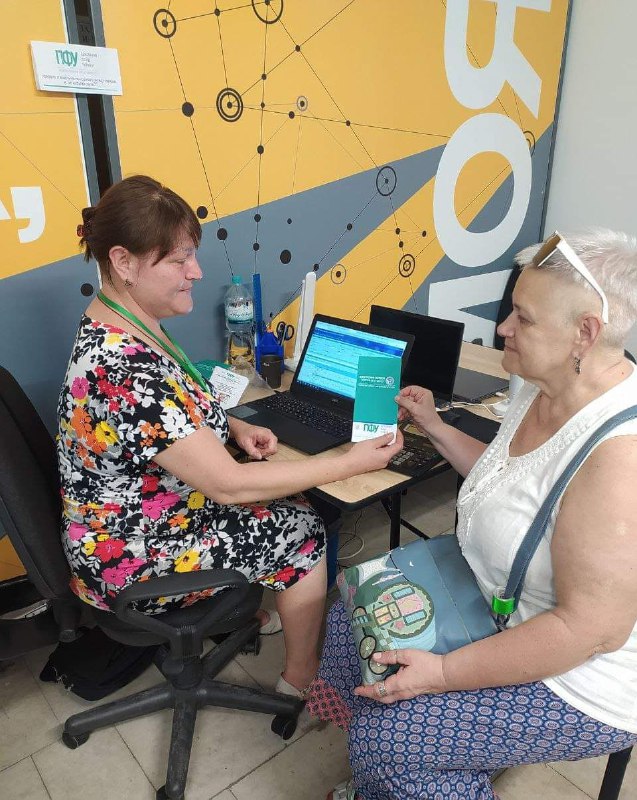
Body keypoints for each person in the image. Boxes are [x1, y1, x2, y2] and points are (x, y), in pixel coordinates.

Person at [309, 229, 637, 799]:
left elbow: (590, 632)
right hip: (497, 599)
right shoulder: (545, 383)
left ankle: (395, 769)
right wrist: (435, 427)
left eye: (523, 318)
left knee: (392, 740)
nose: (503, 328)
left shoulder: (619, 461)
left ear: (584, 333)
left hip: (580, 673)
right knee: (347, 615)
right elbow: (510, 475)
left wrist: (441, 675)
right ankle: (384, 774)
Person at [57, 175, 402, 699]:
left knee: (287, 498)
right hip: (130, 557)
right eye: (179, 260)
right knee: (304, 527)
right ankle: (300, 679)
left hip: (125, 525)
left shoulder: (123, 323)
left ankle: (254, 610)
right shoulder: (121, 369)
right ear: (123, 262)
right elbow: (229, 486)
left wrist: (232, 426)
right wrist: (352, 462)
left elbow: (168, 411)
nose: (196, 272)